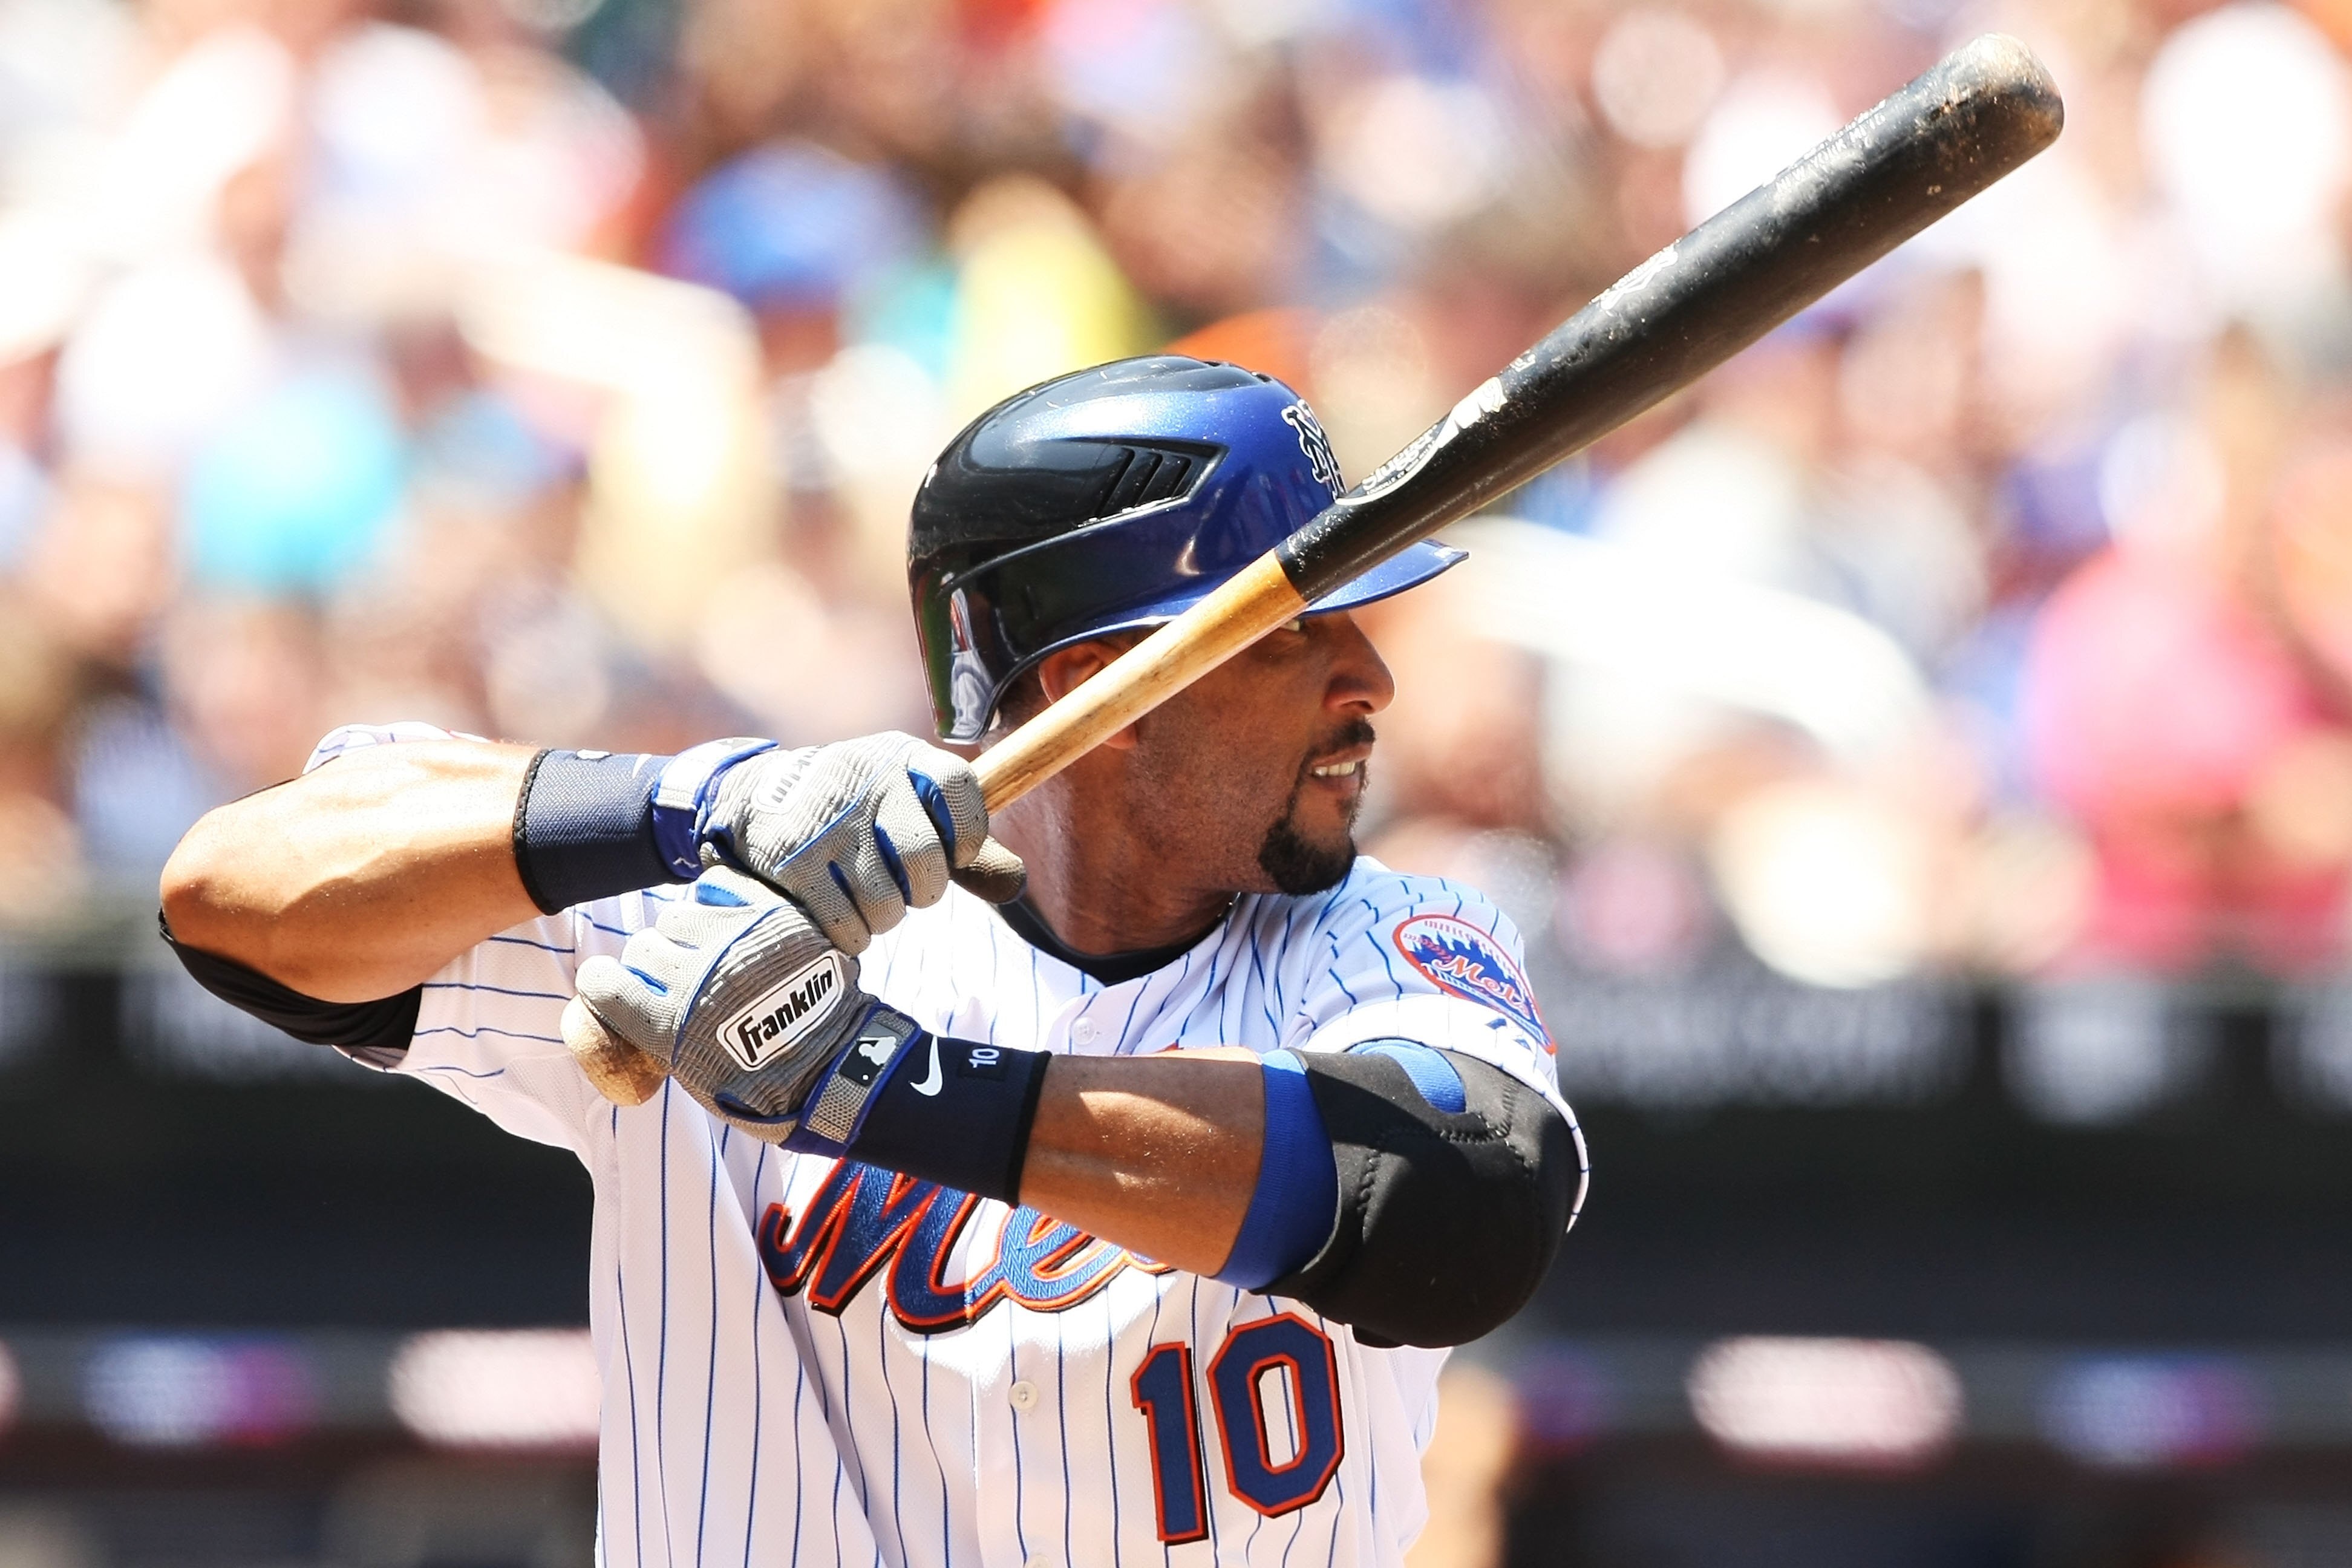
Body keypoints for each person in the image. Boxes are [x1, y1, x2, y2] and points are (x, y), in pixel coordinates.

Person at [160, 355, 1584, 1566]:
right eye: (1298, 633)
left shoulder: (1387, 939)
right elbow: (236, 901)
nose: (1370, 680)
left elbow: (1462, 1200)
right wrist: (699, 803)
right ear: (1102, 684)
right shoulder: (727, 913)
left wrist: (871, 1085)